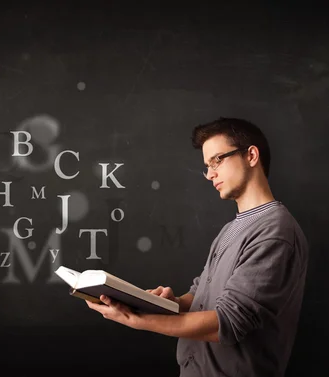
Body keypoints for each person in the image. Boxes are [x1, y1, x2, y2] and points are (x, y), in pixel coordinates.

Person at [86, 117, 309, 377]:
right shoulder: (231, 228)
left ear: (251, 155)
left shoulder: (275, 231)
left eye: (218, 160)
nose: (210, 174)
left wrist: (139, 320)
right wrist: (172, 303)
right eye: (207, 166)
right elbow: (201, 297)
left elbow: (228, 323)